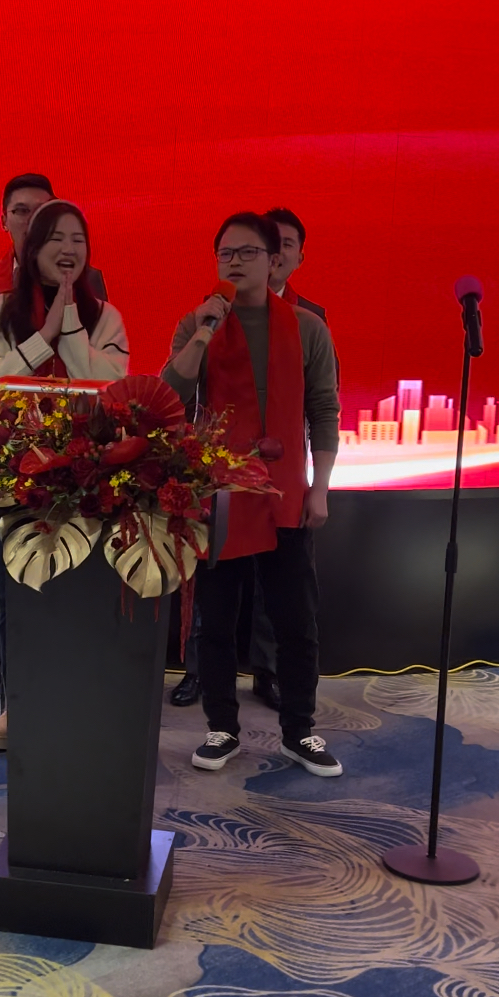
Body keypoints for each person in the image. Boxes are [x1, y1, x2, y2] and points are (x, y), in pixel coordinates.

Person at [162, 212, 341, 777]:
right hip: (221, 493)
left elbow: (324, 410)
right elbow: (169, 395)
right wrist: (202, 334)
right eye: (226, 253)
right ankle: (221, 728)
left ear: (274, 260)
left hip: (286, 492)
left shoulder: (308, 328)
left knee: (296, 622)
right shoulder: (199, 321)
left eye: (248, 252)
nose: (235, 262)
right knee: (216, 621)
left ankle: (299, 731)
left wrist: (320, 487)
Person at [0, 199, 129, 750]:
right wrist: (45, 334)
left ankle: (81, 698)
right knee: (16, 591)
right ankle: (16, 704)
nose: (68, 249)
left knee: (80, 589)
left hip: (88, 474)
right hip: (16, 471)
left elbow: (111, 390)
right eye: (56, 238)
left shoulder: (106, 316)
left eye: (78, 239)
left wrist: (72, 328)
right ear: (32, 247)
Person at [0, 175, 108, 704]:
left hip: (66, 440)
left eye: (44, 212)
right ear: (4, 219)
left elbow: (96, 362)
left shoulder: (90, 280)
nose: (32, 221)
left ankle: (51, 665)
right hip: (2, 435)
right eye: (21, 211)